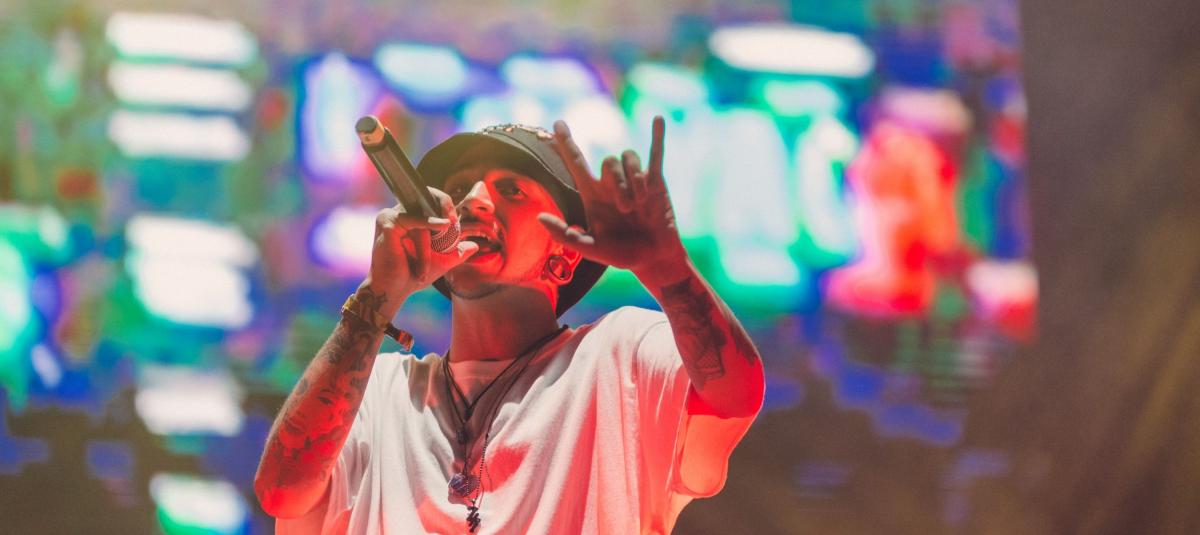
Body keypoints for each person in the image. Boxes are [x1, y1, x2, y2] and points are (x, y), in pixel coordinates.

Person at [254, 117, 766, 534]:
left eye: (512, 191)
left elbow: (734, 395)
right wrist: (377, 296)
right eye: (459, 188)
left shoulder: (618, 357)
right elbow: (282, 493)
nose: (473, 200)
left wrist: (667, 270)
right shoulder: (380, 391)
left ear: (566, 253)